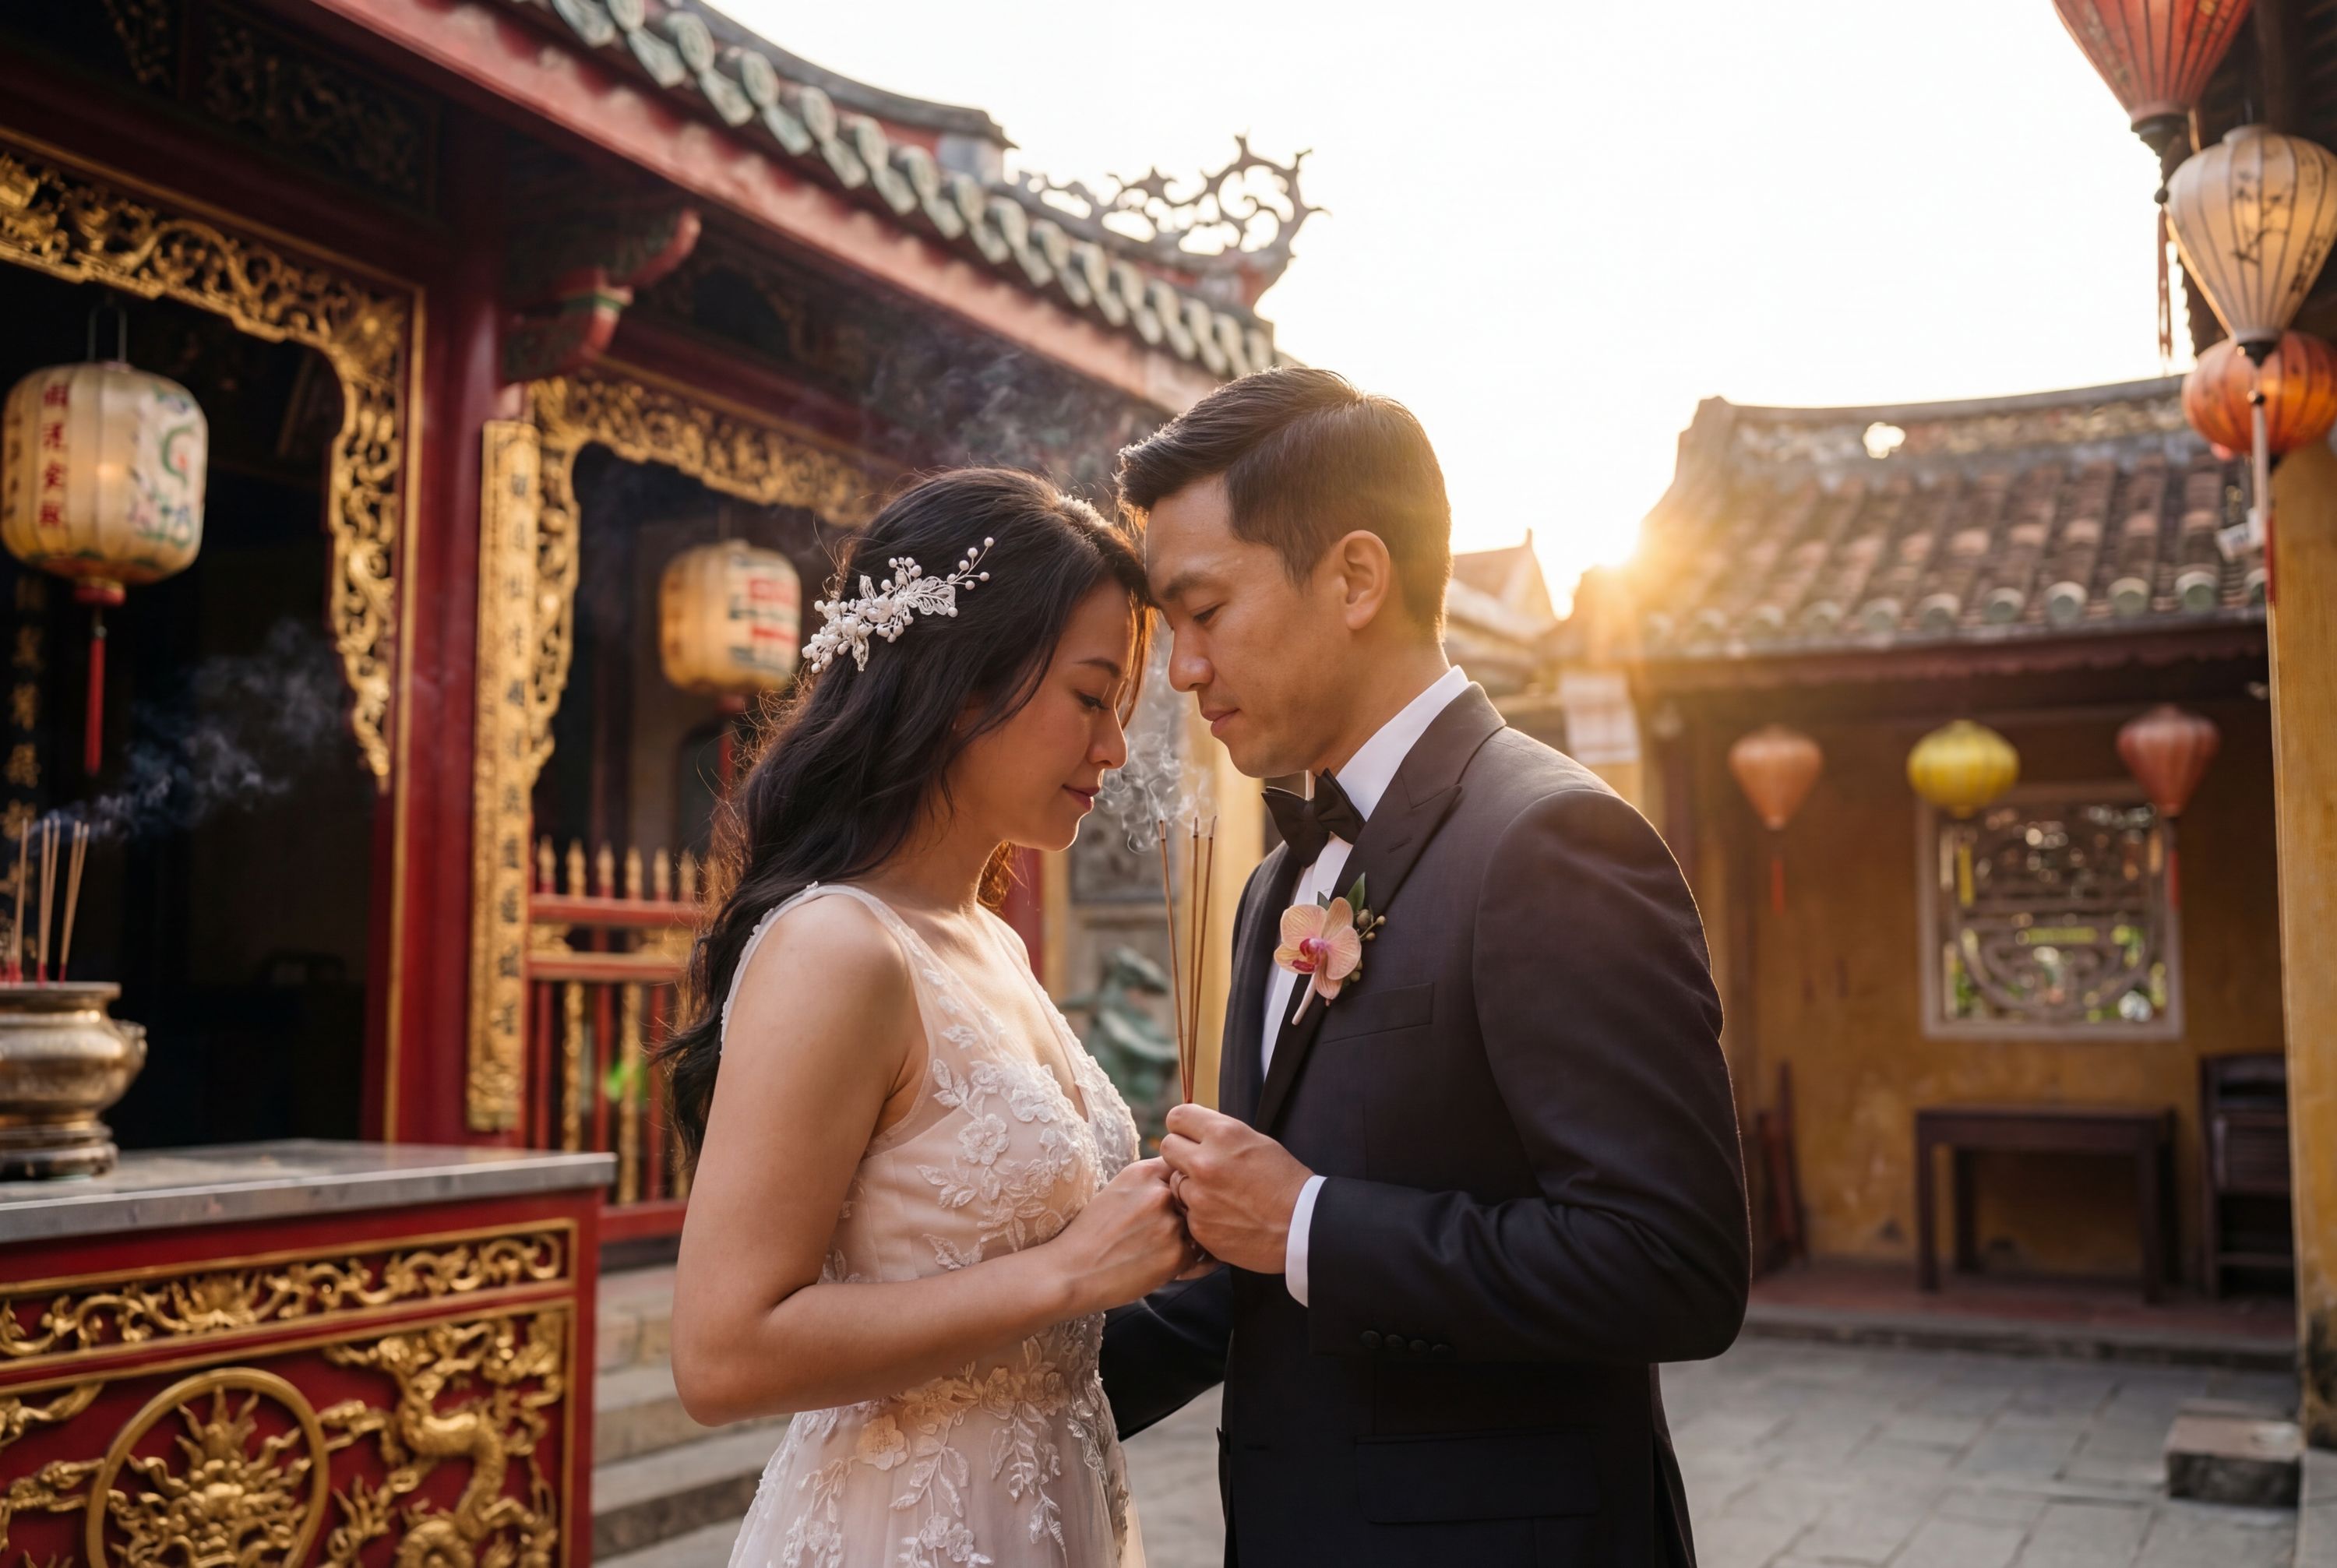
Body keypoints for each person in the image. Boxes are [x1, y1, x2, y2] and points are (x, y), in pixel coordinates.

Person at [1102, 368, 1751, 1567]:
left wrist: (1306, 1214)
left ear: (1355, 576)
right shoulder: (1272, 887)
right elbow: (1256, 1257)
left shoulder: (1553, 841)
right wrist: (1005, 1381)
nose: (1182, 669)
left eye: (1203, 610)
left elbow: (1673, 1266)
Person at [663, 469, 1198, 1568]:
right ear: (964, 685)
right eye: (1091, 698)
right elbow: (721, 1351)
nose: (1115, 749)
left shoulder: (990, 938)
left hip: (1052, 1511)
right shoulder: (839, 946)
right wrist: (1070, 1271)